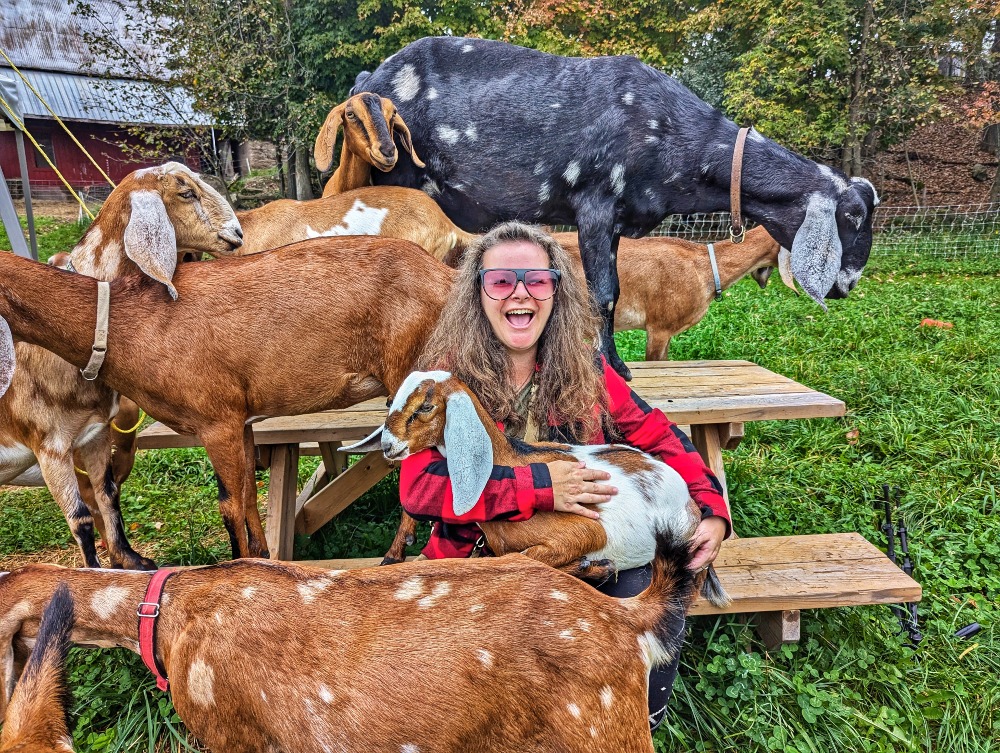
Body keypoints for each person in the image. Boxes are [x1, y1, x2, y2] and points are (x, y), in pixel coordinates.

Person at [400, 221, 730, 729]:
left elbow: (660, 437)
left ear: (557, 289)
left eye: (537, 280)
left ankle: (633, 720)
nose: (520, 293)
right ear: (477, 294)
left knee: (643, 596)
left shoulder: (587, 369)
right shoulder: (447, 380)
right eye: (501, 281)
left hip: (589, 552)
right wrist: (541, 487)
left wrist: (711, 512)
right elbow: (419, 487)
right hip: (477, 555)